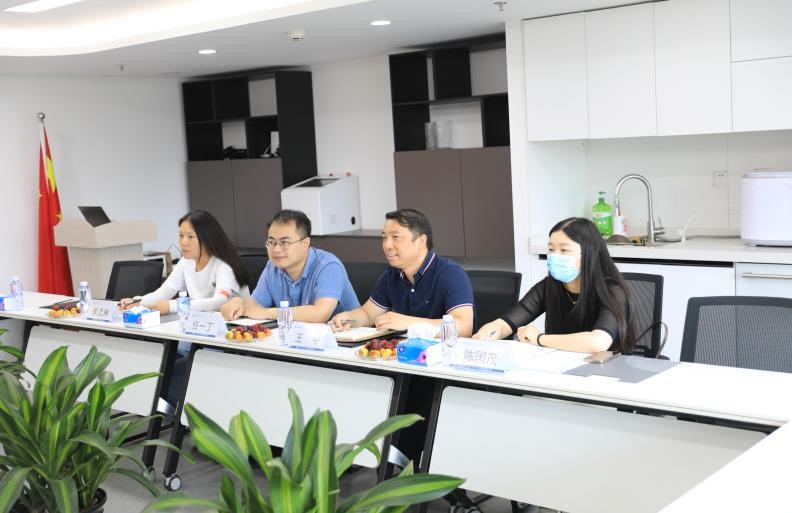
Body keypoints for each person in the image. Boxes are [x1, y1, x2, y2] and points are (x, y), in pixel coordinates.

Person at [473, 217, 636, 354]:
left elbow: (598, 342)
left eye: (564, 250)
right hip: (561, 366)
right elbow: (507, 323)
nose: (555, 256)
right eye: (551, 249)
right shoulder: (548, 287)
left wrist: (539, 339)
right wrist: (491, 331)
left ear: (588, 254)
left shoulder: (612, 291)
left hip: (606, 371)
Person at [331, 208, 474, 336]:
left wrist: (409, 323)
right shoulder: (391, 275)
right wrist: (349, 318)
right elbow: (368, 315)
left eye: (396, 237)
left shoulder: (451, 274)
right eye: (384, 238)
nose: (387, 245)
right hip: (404, 352)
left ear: (421, 241)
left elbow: (464, 326)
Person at [221, 209, 359, 322]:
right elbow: (256, 305)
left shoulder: (328, 266)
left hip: (344, 339)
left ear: (305, 244)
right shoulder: (272, 267)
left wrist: (267, 313)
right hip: (297, 338)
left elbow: (320, 314)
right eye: (272, 242)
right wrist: (240, 303)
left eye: (284, 243)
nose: (276, 249)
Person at [121, 210, 251, 313]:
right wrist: (137, 301)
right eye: (181, 235)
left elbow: (219, 302)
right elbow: (164, 292)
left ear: (207, 238)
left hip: (236, 328)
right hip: (203, 324)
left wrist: (172, 306)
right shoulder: (186, 262)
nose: (183, 242)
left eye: (190, 236)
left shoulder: (223, 265)